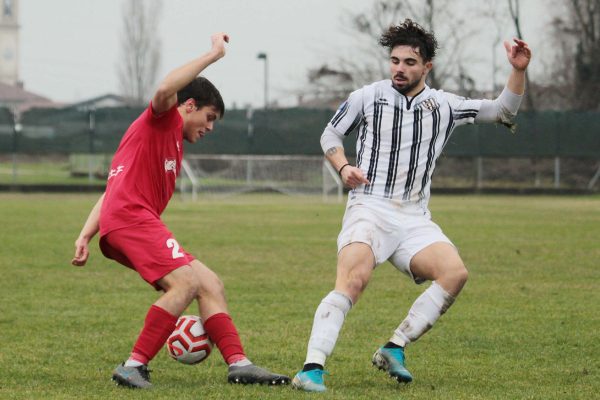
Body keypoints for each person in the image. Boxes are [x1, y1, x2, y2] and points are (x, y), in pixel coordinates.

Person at [292, 19, 532, 392]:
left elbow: (504, 111)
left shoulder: (445, 105)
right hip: (368, 207)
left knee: (455, 274)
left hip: (414, 218)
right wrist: (343, 166)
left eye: (409, 62)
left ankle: (394, 347)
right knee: (354, 280)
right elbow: (331, 133)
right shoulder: (368, 96)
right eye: (394, 61)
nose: (399, 69)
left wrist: (518, 71)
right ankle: (311, 368)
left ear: (427, 67)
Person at [71, 32, 290, 389]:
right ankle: (133, 365)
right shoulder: (164, 120)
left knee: (210, 284)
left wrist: (85, 234)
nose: (211, 127)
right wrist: (214, 54)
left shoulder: (162, 139)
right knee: (186, 283)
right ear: (188, 105)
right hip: (132, 220)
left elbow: (113, 188)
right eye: (209, 116)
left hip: (125, 220)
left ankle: (239, 363)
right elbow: (162, 90)